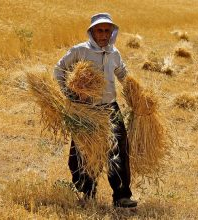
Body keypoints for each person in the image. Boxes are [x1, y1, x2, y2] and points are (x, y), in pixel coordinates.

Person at [53, 13, 137, 208]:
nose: (103, 34)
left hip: (110, 108)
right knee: (83, 152)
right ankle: (87, 192)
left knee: (118, 150)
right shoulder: (80, 51)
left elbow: (123, 74)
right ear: (92, 32)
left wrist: (136, 94)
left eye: (107, 30)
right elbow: (59, 70)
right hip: (86, 109)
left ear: (112, 33)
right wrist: (70, 94)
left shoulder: (114, 53)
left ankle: (122, 195)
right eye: (99, 30)